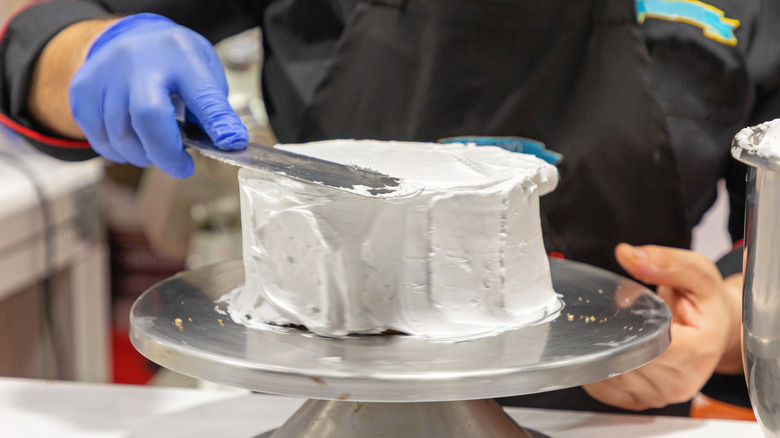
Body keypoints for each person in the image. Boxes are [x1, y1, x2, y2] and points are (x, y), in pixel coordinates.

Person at [0, 0, 767, 416]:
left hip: (615, 409)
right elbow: (31, 25)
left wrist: (728, 325)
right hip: (317, 391)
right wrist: (89, 52)